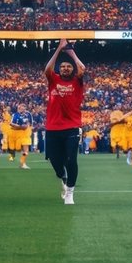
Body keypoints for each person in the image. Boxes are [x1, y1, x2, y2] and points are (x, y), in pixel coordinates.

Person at [44, 38, 85, 205]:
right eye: (63, 67)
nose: (66, 68)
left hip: (72, 127)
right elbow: (47, 69)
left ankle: (70, 191)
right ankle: (63, 177)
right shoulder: (53, 80)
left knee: (71, 160)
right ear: (59, 70)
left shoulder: (77, 81)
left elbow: (82, 68)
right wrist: (58, 49)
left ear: (72, 70)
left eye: (69, 67)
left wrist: (70, 52)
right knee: (56, 162)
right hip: (53, 128)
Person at [10, 103, 33, 169]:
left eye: (25, 107)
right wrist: (19, 126)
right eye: (22, 107)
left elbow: (30, 124)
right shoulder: (15, 115)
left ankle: (22, 163)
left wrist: (27, 126)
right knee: (19, 149)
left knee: (26, 150)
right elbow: (11, 124)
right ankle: (21, 162)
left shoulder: (28, 114)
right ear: (19, 107)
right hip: (17, 134)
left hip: (26, 134)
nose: (24, 108)